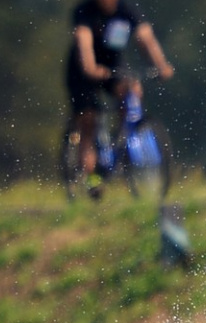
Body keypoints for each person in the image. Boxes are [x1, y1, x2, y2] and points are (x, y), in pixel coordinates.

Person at [65, 0, 174, 199]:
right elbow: (83, 39)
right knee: (88, 121)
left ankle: (123, 141)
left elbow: (145, 37)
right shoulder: (85, 10)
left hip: (113, 65)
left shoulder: (126, 9)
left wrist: (161, 64)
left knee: (132, 90)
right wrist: (90, 68)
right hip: (83, 69)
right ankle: (92, 178)